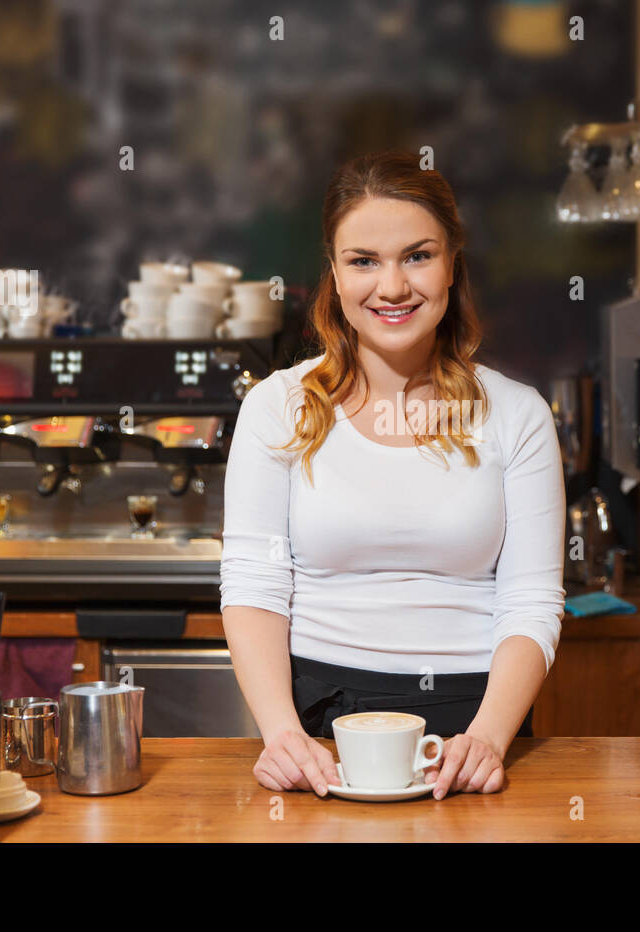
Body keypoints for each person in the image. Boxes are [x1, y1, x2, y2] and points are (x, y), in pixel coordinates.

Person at [219, 149, 565, 799]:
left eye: (417, 255)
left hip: (473, 726)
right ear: (334, 272)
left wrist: (488, 739)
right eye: (363, 261)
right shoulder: (276, 406)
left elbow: (532, 601)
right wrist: (282, 735)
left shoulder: (517, 416)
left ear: (453, 261)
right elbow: (255, 585)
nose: (393, 287)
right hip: (317, 725)